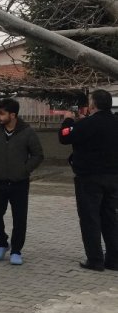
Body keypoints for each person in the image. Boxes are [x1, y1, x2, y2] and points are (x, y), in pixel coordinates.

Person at [58, 90, 118, 271]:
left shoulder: (86, 125)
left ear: (93, 105)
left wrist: (68, 119)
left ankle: (95, 259)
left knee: (90, 218)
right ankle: (114, 260)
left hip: (89, 178)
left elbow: (64, 137)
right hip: (114, 178)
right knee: (110, 217)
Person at [0, 98, 43, 265]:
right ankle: (3, 243)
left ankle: (16, 250)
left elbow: (38, 155)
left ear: (13, 115)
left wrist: (24, 170)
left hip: (19, 183)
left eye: (1, 113)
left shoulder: (27, 132)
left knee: (19, 219)